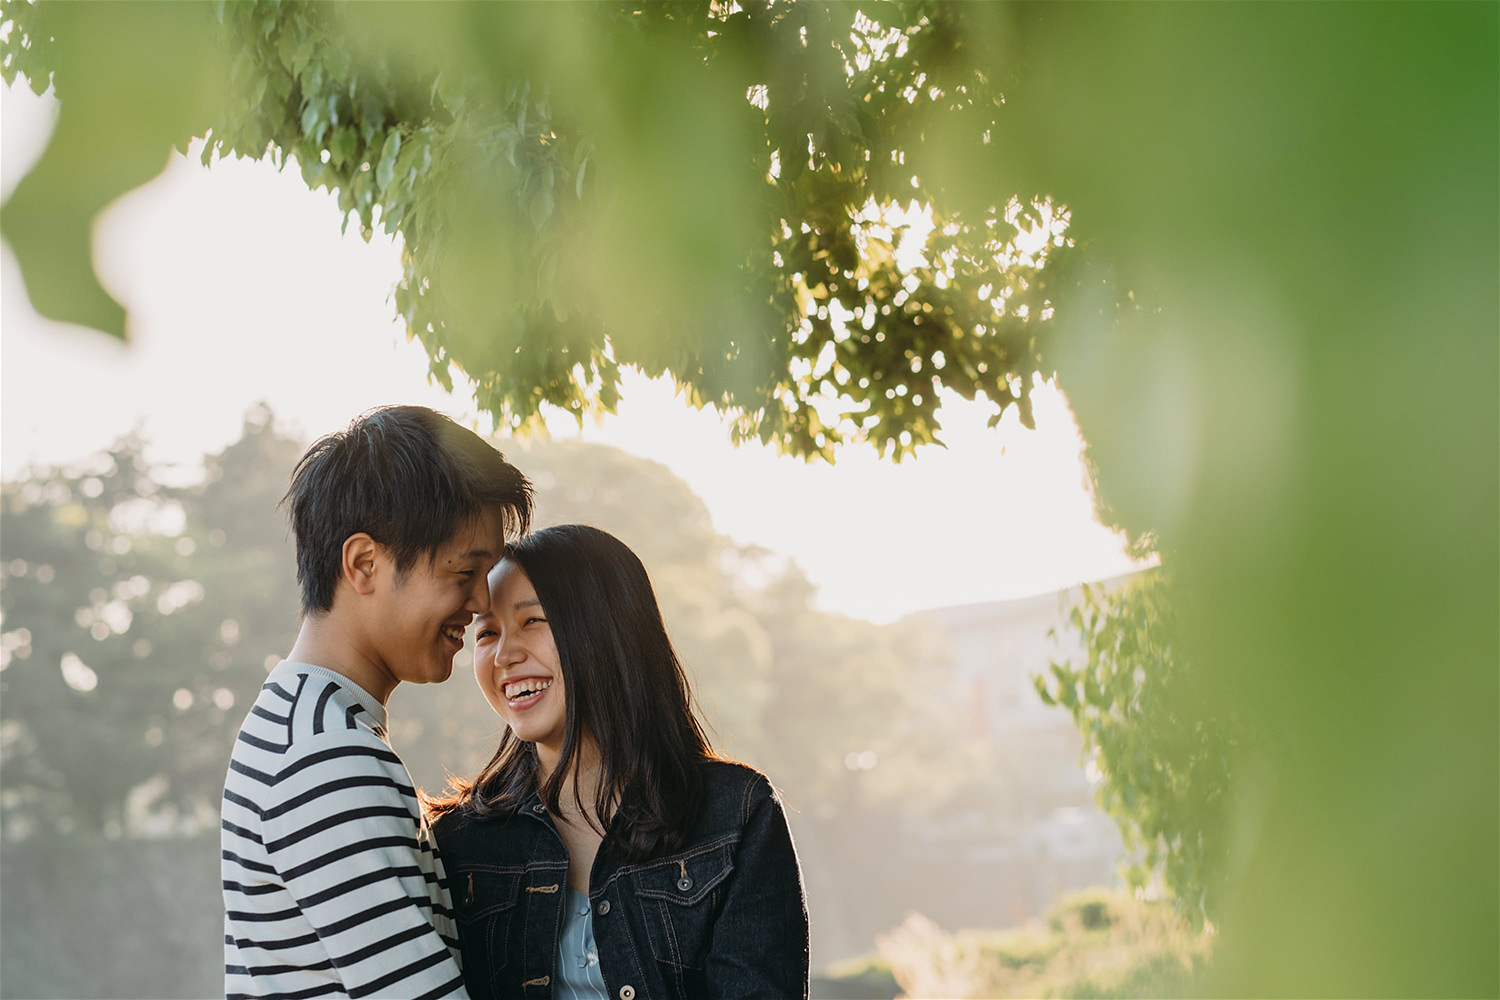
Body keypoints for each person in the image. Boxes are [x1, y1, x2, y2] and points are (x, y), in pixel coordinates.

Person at [222, 405, 533, 1000]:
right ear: (364, 563)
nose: (478, 604)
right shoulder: (325, 755)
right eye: (465, 572)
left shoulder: (299, 722)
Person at [431, 524, 810, 1000]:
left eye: (533, 621)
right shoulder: (458, 842)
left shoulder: (735, 815)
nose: (504, 654)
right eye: (486, 632)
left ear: (606, 630)